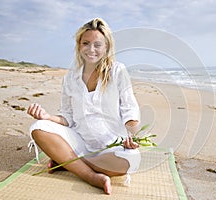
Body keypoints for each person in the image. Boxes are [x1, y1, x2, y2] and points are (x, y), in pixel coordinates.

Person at [27, 18, 141, 195]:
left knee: (131, 161)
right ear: (79, 45)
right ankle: (90, 176)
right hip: (79, 141)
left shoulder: (117, 71)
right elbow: (67, 116)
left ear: (106, 47)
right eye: (86, 43)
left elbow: (129, 108)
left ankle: (66, 161)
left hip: (111, 145)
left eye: (97, 44)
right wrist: (47, 117)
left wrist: (132, 136)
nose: (91, 49)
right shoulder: (70, 78)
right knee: (38, 128)